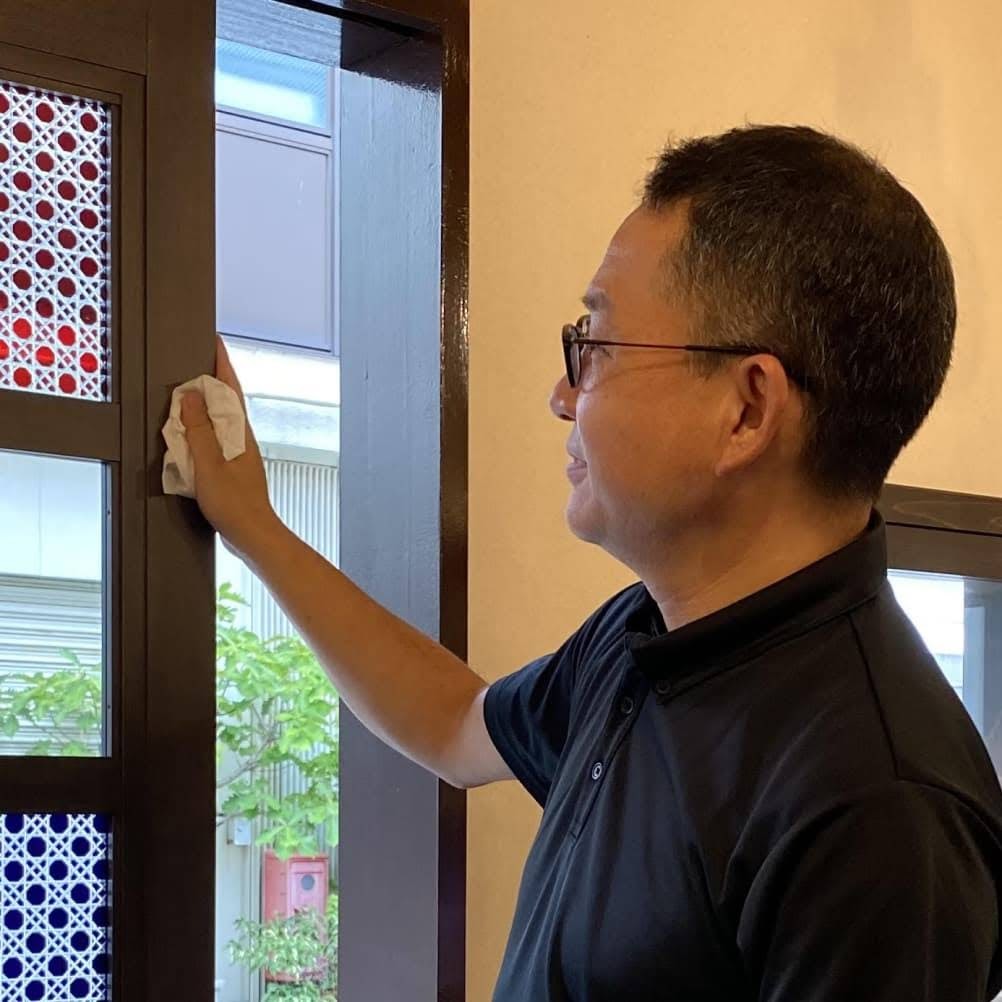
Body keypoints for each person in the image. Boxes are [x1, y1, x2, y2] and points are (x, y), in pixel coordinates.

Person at [182, 124, 1002, 1001]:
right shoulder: (646, 633)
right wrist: (255, 527)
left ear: (746, 410)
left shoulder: (878, 811)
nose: (562, 395)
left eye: (598, 347)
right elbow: (454, 724)